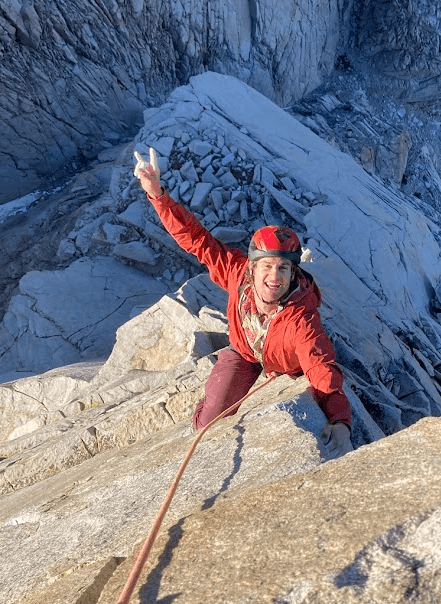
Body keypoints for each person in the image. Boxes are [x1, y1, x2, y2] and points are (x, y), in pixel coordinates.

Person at [133, 148, 353, 458]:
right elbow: (196, 239)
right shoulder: (237, 273)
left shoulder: (302, 319)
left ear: (293, 273)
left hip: (286, 368)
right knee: (209, 422)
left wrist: (340, 420)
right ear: (252, 267)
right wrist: (157, 195)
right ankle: (205, 409)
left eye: (283, 268)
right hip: (246, 353)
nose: (274, 276)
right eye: (267, 266)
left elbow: (320, 366)